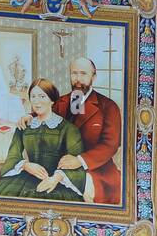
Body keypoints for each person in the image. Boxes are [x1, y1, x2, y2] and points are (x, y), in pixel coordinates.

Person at [19, 57, 122, 205]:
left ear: (94, 76)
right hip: (59, 166)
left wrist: (80, 160)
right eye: (74, 73)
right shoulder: (61, 102)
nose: (78, 79)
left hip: (95, 169)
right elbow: (44, 111)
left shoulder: (108, 106)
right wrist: (30, 116)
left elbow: (110, 145)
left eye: (83, 74)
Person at [0, 79, 87, 202]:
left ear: (52, 100)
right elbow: (12, 156)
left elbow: (76, 164)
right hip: (26, 177)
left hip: (58, 181)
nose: (37, 101)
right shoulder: (24, 126)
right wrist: (26, 165)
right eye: (33, 96)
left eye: (42, 96)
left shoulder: (68, 129)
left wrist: (55, 178)